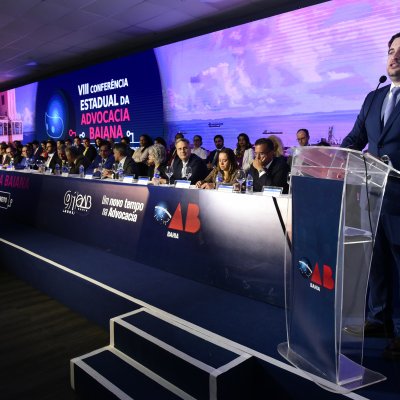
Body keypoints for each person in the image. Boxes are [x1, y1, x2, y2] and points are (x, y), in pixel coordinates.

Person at [341, 32, 400, 359]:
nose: (395, 57)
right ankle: (378, 318)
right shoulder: (374, 97)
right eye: (391, 51)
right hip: (372, 197)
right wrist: (334, 158)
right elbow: (355, 138)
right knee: (375, 262)